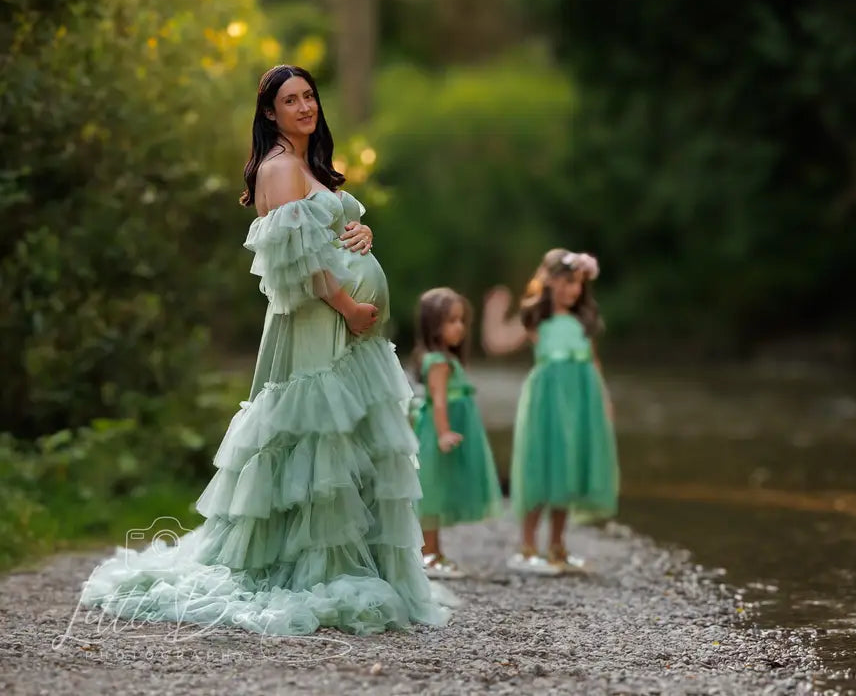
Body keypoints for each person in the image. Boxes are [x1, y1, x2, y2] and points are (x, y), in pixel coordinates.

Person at [80, 64, 453, 635]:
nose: (305, 107)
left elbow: (326, 235)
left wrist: (364, 235)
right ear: (270, 113)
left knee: (348, 448)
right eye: (290, 100)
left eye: (310, 96)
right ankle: (308, 566)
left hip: (347, 339)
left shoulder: (309, 167)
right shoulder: (279, 169)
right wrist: (349, 307)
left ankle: (350, 560)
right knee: (313, 446)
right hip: (315, 330)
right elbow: (296, 265)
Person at [481, 248, 620, 575]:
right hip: (547, 405)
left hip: (579, 404)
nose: (573, 291)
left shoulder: (581, 321)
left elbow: (593, 362)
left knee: (567, 471)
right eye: (567, 282)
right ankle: (528, 546)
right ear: (550, 280)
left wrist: (604, 400)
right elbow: (497, 342)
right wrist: (493, 310)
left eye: (579, 285)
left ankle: (557, 545)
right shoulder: (537, 318)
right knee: (541, 468)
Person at [410, 288, 504, 578]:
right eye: (451, 321)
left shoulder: (447, 358)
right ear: (432, 324)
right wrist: (443, 432)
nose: (459, 328)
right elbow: (438, 400)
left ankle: (435, 552)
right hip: (439, 431)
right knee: (433, 491)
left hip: (450, 427)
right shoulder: (438, 361)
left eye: (461, 321)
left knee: (439, 490)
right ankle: (429, 554)